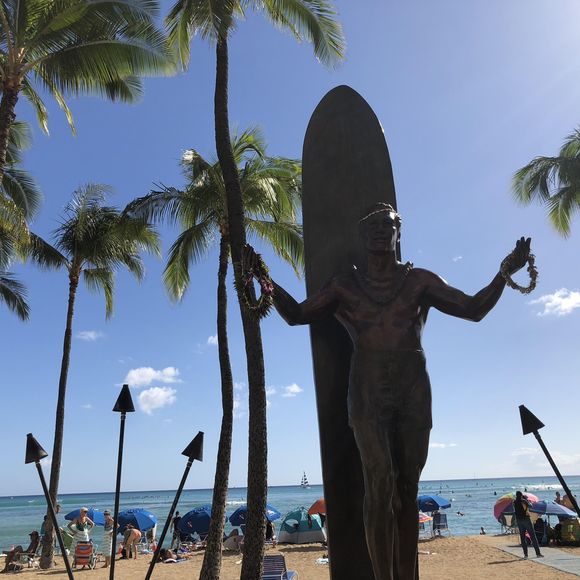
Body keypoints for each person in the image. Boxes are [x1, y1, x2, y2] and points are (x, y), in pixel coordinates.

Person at [245, 202, 532, 580]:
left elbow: (473, 308)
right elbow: (297, 314)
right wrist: (262, 276)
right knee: (379, 483)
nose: (381, 230)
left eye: (388, 224)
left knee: (408, 488)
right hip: (367, 387)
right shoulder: (344, 285)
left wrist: (504, 272)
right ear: (362, 236)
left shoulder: (420, 280)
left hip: (413, 387)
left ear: (399, 232)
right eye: (373, 226)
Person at [513, 491, 543, 559]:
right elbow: (531, 506)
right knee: (532, 536)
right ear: (521, 495)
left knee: (522, 537)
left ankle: (525, 555)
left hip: (519, 520)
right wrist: (526, 500)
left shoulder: (514, 502)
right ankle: (538, 553)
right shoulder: (524, 501)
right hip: (526, 519)